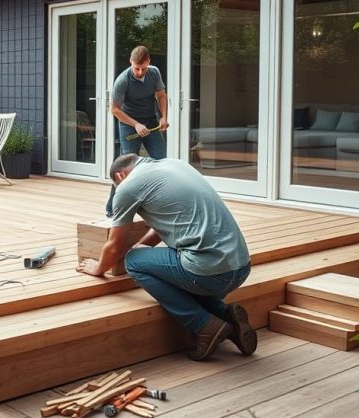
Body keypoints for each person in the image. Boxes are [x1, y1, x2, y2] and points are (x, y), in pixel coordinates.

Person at [79, 153, 257, 361]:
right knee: (176, 268)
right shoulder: (174, 165)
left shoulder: (128, 186)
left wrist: (98, 268)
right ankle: (223, 314)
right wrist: (144, 245)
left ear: (120, 175)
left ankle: (204, 325)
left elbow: (115, 246)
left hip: (212, 274)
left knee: (133, 262)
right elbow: (168, 220)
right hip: (242, 266)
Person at [106, 45, 168, 216]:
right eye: (136, 68)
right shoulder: (122, 80)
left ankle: (160, 205)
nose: (140, 72)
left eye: (143, 68)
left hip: (150, 122)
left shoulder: (154, 73)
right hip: (128, 124)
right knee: (125, 169)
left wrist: (163, 117)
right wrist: (135, 125)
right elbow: (115, 110)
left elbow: (161, 95)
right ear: (130, 63)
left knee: (161, 162)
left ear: (149, 62)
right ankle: (112, 209)